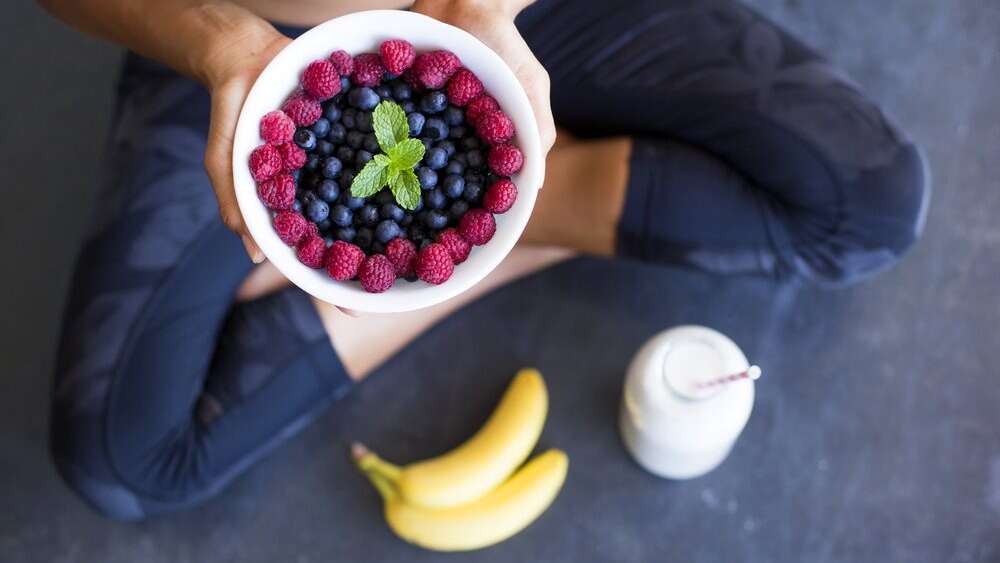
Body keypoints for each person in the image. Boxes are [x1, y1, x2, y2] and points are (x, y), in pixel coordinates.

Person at [40, 0, 928, 520]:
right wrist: (216, 41)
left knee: (871, 203)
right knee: (121, 463)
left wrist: (484, 6)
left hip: (509, 17)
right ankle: (527, 211)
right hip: (235, 45)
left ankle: (506, 217)